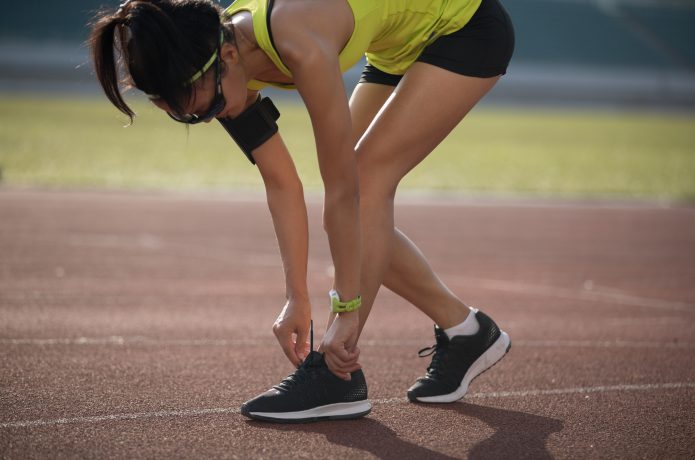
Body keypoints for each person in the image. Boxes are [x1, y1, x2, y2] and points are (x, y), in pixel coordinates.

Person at [90, 0, 515, 422]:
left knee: (364, 182)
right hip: (395, 43)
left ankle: (337, 376)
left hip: (465, 27)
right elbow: (281, 182)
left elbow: (344, 188)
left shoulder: (299, 43)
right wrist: (296, 297)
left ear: (229, 57)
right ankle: (467, 332)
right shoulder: (217, 59)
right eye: (185, 115)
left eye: (206, 107)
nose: (203, 119)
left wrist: (346, 312)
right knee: (357, 205)